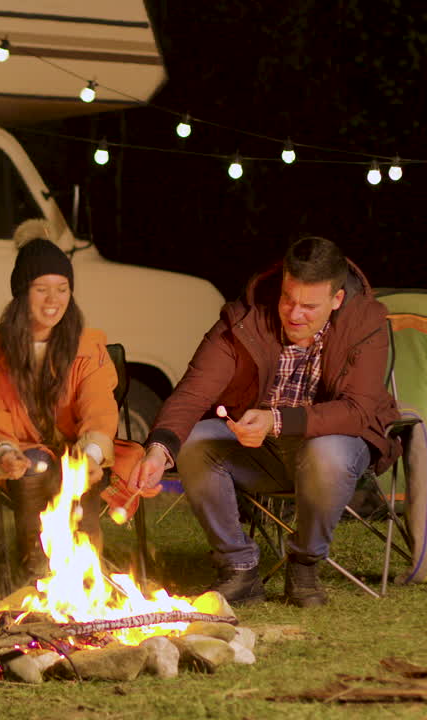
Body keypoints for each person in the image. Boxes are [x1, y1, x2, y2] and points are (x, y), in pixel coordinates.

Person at [126, 236, 399, 607]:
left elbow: (359, 410)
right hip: (262, 451)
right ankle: (238, 569)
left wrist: (277, 420)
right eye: (288, 299)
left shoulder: (365, 321)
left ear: (336, 300)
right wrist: (158, 450)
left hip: (334, 449)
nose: (294, 314)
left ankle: (304, 564)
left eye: (309, 306)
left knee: (327, 451)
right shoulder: (246, 319)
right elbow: (193, 392)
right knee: (192, 442)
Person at [0, 224, 142, 579]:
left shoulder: (86, 347)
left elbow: (98, 406)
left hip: (75, 445)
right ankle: (36, 571)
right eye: (41, 289)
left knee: (78, 468)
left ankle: (85, 574)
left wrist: (91, 455)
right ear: (21, 294)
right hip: (22, 449)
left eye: (62, 289)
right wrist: (6, 451)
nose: (52, 300)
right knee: (32, 467)